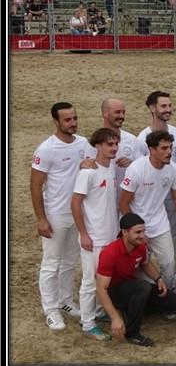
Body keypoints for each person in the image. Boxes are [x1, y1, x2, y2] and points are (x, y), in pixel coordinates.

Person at [32, 102, 96, 330]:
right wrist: (41, 218)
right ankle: (50, 309)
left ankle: (66, 300)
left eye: (75, 118)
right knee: (51, 263)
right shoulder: (46, 149)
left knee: (70, 260)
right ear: (56, 122)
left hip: (77, 213)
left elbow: (92, 165)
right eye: (68, 120)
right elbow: (35, 186)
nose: (73, 123)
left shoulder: (83, 143)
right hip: (56, 213)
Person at [119, 130, 176, 288]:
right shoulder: (136, 169)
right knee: (137, 265)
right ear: (152, 149)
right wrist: (137, 231)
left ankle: (166, 296)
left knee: (169, 264)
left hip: (160, 224)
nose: (169, 152)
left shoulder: (173, 169)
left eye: (170, 147)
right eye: (164, 148)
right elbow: (123, 203)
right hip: (137, 226)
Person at [96, 213, 176, 347]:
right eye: (138, 232)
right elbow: (101, 289)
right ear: (124, 232)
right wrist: (114, 318)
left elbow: (146, 264)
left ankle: (133, 311)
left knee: (174, 302)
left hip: (132, 287)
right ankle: (132, 333)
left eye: (143, 231)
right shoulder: (110, 253)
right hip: (115, 292)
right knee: (143, 287)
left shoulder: (140, 246)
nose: (142, 236)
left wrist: (158, 278)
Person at [70, 128, 119, 341]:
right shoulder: (87, 172)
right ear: (97, 147)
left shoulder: (112, 167)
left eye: (115, 143)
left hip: (110, 235)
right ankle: (88, 323)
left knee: (104, 280)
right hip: (94, 238)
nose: (114, 148)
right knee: (90, 282)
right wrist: (84, 234)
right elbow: (75, 203)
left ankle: (98, 313)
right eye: (109, 144)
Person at [137, 91, 176, 247]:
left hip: (173, 197)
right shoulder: (143, 139)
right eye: (163, 106)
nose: (168, 109)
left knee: (172, 239)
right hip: (152, 199)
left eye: (170, 105)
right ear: (152, 108)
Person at [101, 98, 146, 200]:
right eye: (117, 112)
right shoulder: (95, 142)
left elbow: (144, 169)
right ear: (105, 114)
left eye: (123, 112)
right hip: (104, 202)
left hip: (126, 202)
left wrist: (132, 164)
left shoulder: (132, 140)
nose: (121, 116)